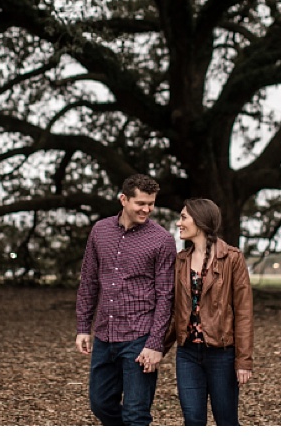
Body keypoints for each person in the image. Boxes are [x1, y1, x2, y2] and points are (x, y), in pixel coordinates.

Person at [75, 174, 178, 425]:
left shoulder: (162, 240)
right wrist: (82, 328)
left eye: (151, 203)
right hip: (104, 335)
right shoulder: (100, 231)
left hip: (140, 336)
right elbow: (89, 280)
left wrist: (155, 344)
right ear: (123, 199)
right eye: (140, 203)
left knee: (136, 412)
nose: (147, 209)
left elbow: (166, 295)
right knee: (100, 404)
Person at [163, 198, 254, 426]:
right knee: (193, 421)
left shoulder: (232, 258)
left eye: (184, 217)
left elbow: (243, 312)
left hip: (222, 354)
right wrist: (157, 348)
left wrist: (243, 360)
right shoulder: (180, 261)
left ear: (201, 221)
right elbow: (176, 312)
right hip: (187, 354)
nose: (178, 223)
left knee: (226, 422)